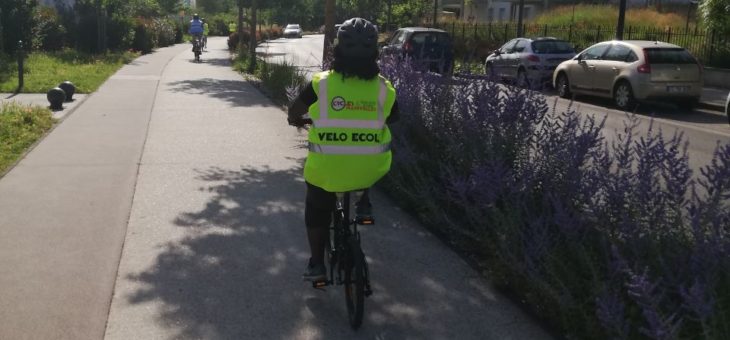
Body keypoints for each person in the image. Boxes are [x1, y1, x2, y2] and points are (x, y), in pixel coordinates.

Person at [288, 18, 400, 282]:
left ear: (336, 50)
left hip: (326, 171)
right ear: (375, 53)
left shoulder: (322, 84)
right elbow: (393, 118)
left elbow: (295, 110)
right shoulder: (384, 88)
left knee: (317, 206)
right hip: (371, 169)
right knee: (365, 158)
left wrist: (296, 120)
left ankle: (317, 264)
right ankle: (364, 203)